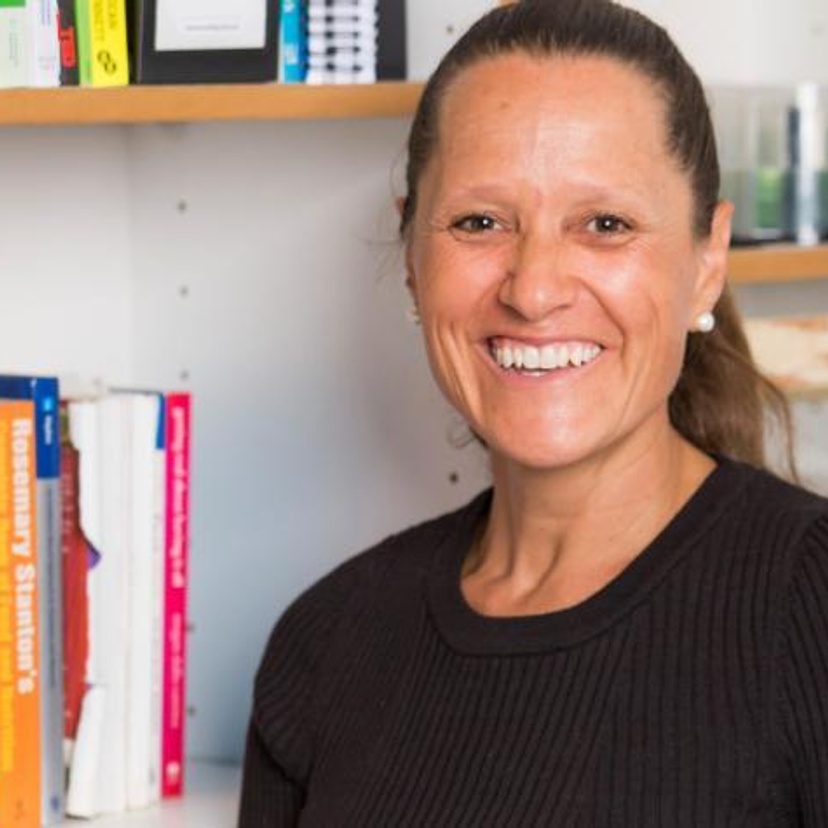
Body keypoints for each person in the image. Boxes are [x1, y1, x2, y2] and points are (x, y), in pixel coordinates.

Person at [239, 1, 828, 824]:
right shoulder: (326, 642)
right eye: (480, 222)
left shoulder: (811, 608)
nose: (534, 288)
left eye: (605, 224)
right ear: (412, 257)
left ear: (706, 262)